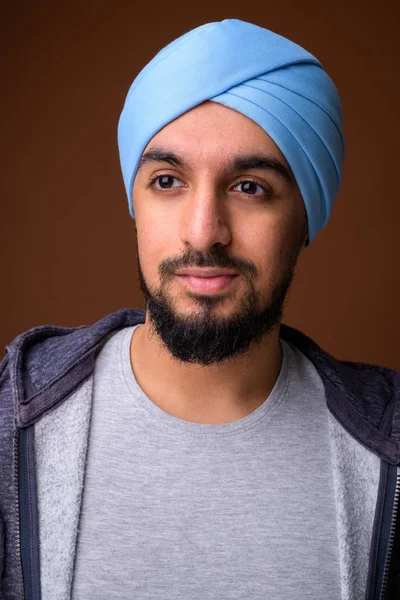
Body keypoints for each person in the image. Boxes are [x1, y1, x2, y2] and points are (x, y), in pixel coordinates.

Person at [0, 18, 399, 600]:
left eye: (249, 187)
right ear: (134, 204)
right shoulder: (14, 418)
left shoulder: (386, 444)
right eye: (167, 180)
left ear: (307, 217)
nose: (203, 232)